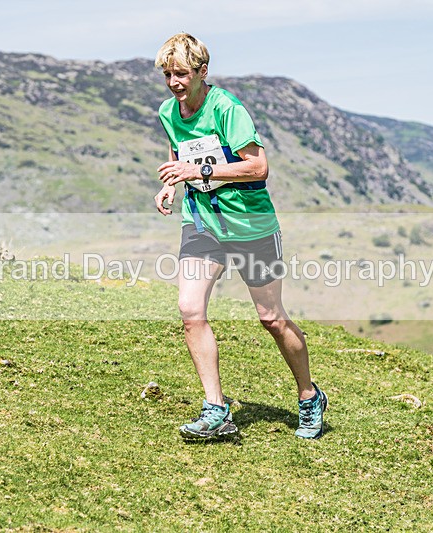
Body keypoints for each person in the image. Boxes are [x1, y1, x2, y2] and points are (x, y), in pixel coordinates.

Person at [153, 33, 327, 440]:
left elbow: (258, 167)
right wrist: (170, 185)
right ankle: (216, 409)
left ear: (201, 72)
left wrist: (202, 173)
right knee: (189, 309)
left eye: (182, 73)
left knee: (271, 319)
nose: (175, 82)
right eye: (168, 74)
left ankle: (309, 395)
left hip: (250, 226)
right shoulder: (168, 111)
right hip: (202, 222)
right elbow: (180, 154)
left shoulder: (228, 109)